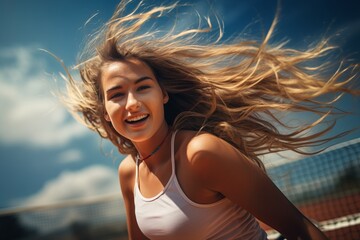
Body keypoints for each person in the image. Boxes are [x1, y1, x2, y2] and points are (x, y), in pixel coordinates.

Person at [59, 0, 358, 239]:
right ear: (105, 112)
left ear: (163, 94)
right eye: (116, 94)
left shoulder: (201, 153)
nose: (132, 103)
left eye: (142, 87)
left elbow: (301, 229)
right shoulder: (128, 175)